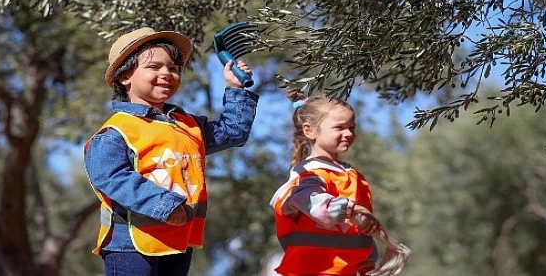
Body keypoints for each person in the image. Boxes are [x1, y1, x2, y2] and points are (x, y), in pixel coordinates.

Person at [83, 27, 258, 276]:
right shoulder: (116, 131)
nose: (167, 73)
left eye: (174, 68)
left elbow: (233, 133)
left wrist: (236, 89)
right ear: (125, 77)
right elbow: (110, 177)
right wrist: (165, 206)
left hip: (178, 241)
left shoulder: (189, 126)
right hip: (130, 246)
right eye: (154, 66)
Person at [269, 90, 382, 276]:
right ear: (310, 130)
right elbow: (307, 200)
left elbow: (361, 235)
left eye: (352, 128)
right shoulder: (309, 173)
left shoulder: (355, 178)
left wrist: (368, 267)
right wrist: (345, 209)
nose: (348, 133)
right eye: (339, 127)